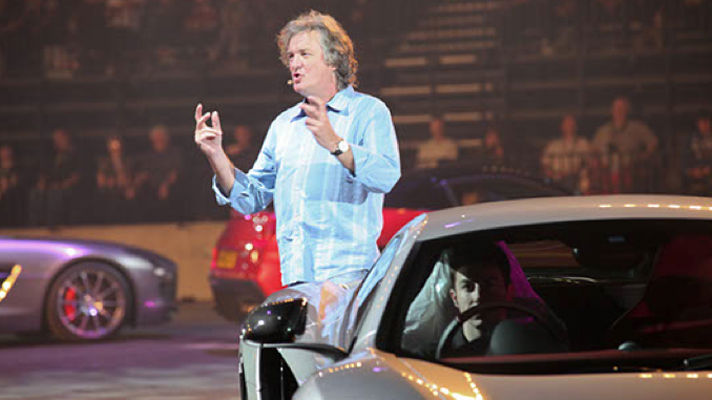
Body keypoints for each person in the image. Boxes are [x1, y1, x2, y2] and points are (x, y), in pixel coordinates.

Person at [194, 10, 401, 287]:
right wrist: (217, 155)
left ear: (333, 59)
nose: (295, 63)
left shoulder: (368, 112)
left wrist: (336, 144)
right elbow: (250, 200)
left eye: (304, 54)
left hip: (348, 277)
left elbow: (386, 177)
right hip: (296, 277)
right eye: (291, 56)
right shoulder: (284, 125)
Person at [592, 96, 658, 192]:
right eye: (616, 108)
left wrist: (643, 157)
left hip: (629, 171)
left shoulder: (637, 128)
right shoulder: (603, 131)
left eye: (622, 109)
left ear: (627, 111)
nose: (618, 111)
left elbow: (653, 142)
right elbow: (594, 149)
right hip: (606, 173)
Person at [134, 125, 183, 221]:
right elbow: (144, 172)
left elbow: (175, 173)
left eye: (161, 137)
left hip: (169, 186)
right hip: (152, 186)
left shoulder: (175, 153)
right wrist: (135, 184)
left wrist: (165, 185)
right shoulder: (148, 155)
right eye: (156, 138)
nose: (159, 140)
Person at [540, 114, 591, 191]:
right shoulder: (553, 145)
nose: (570, 126)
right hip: (558, 180)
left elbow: (591, 162)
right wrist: (553, 175)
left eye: (572, 124)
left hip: (577, 180)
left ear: (576, 126)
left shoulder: (583, 143)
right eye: (567, 124)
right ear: (562, 126)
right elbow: (545, 164)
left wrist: (579, 172)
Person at [681, 109, 712, 195]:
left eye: (707, 122)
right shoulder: (691, 139)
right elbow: (684, 158)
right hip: (694, 172)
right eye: (702, 122)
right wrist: (691, 171)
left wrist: (708, 169)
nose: (704, 125)